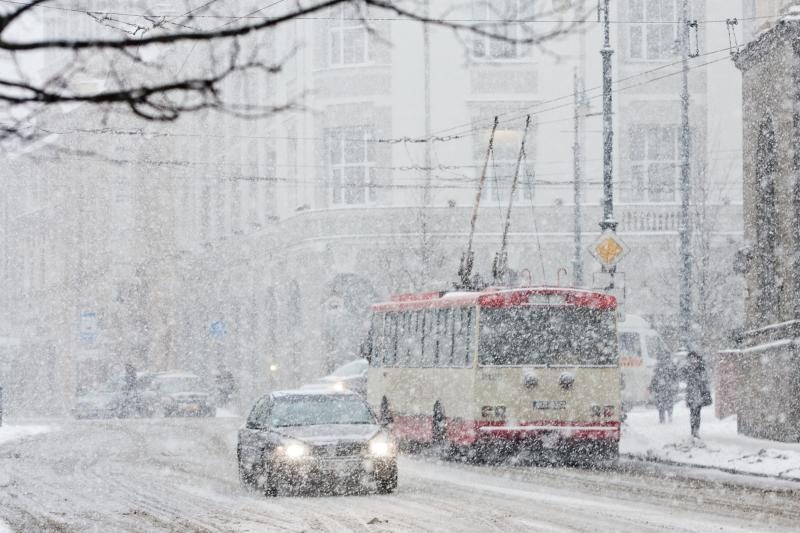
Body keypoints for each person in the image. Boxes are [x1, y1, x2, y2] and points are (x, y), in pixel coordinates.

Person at [683, 351, 712, 438]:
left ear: (696, 358)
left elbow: (705, 379)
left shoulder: (701, 368)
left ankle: (696, 430)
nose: (691, 360)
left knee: (697, 412)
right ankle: (693, 430)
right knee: (692, 412)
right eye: (690, 358)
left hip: (699, 393)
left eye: (693, 358)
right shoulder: (687, 368)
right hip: (691, 393)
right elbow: (682, 376)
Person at [649, 353, 678, 424]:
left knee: (663, 403)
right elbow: (655, 377)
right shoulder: (669, 366)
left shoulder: (661, 366)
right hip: (664, 388)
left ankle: (664, 417)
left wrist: (652, 386)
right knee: (666, 403)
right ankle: (666, 416)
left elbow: (655, 377)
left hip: (663, 388)